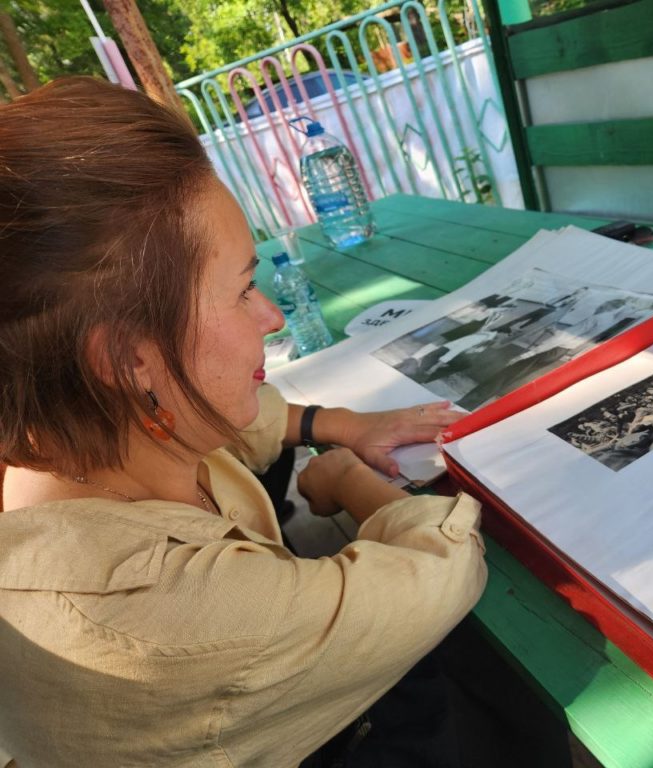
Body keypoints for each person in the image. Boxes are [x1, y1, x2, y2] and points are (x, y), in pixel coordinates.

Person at [0, 78, 487, 767]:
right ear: (128, 357)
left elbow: (230, 425)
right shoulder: (167, 610)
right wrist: (346, 478)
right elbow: (445, 569)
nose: (272, 317)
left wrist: (339, 424)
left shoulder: (63, 432)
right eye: (243, 288)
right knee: (483, 690)